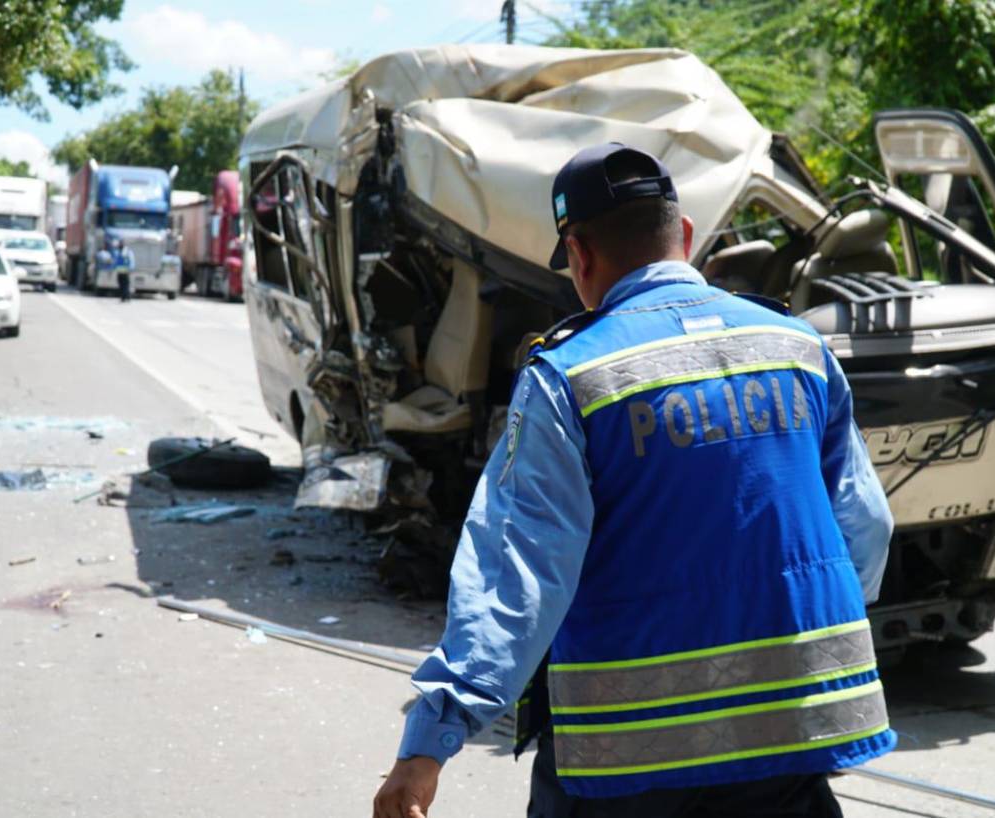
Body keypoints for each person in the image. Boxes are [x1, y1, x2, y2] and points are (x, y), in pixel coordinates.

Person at [373, 144, 895, 818]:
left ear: (580, 257)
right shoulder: (799, 348)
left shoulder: (572, 377)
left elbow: (520, 577)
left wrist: (428, 743)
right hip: (799, 730)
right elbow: (866, 527)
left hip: (628, 762)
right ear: (683, 235)